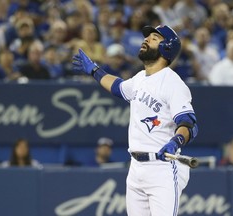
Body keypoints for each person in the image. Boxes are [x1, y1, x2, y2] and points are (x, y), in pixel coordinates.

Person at [73, 25, 198, 216]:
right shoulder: (140, 78)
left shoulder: (172, 83)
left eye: (154, 38)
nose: (147, 39)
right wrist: (94, 71)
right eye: (147, 37)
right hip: (136, 167)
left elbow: (189, 123)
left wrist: (176, 141)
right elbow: (118, 87)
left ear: (167, 48)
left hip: (162, 167)